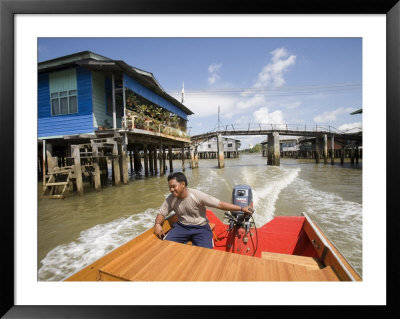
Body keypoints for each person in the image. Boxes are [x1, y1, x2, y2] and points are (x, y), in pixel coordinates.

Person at [154, 172, 253, 249]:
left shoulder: (196, 195)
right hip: (182, 227)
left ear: (183, 184)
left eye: (173, 186)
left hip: (200, 228)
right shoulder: (171, 198)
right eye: (170, 187)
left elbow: (219, 204)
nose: (171, 190)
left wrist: (241, 208)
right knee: (165, 245)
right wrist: (158, 224)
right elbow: (162, 213)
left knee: (206, 252)